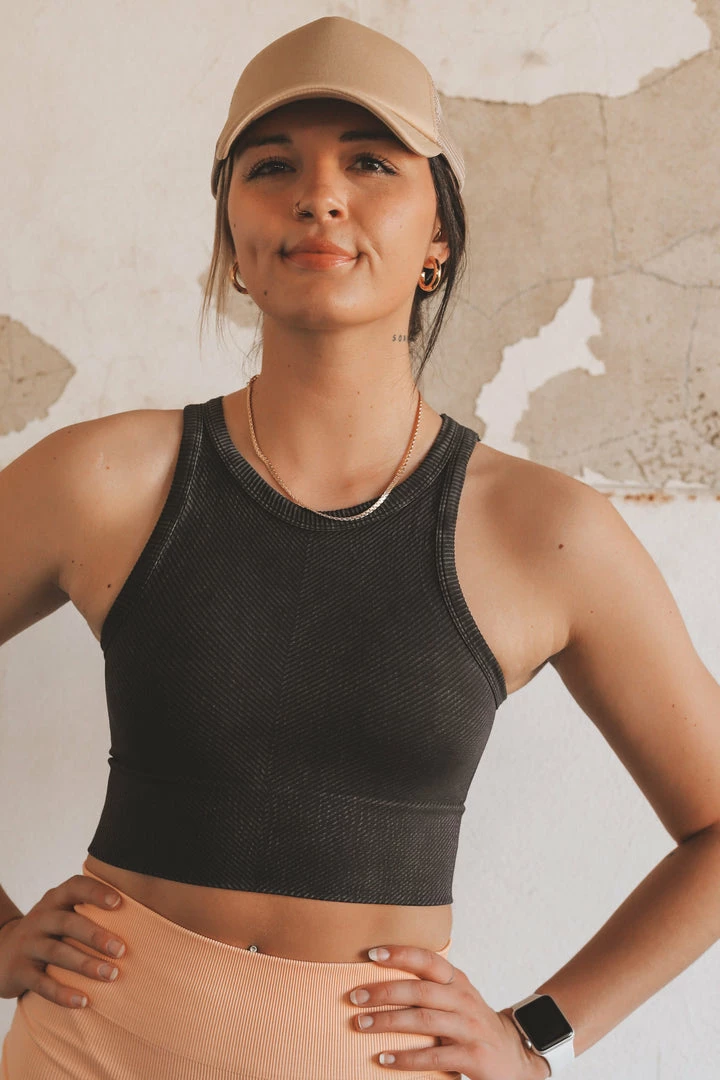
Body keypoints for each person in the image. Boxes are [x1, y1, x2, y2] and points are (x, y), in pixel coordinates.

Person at [1, 13, 720, 1080]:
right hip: (87, 1050)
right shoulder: (103, 478)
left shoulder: (544, 531)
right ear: (233, 241)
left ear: (438, 238)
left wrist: (537, 1036)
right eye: (271, 166)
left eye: (371, 162)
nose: (319, 196)